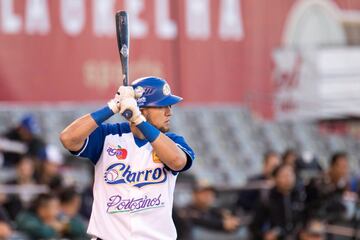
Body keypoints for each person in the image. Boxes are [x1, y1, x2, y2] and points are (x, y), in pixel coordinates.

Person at [60, 76, 195, 240]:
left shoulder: (172, 141)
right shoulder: (109, 135)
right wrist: (113, 106)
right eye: (162, 106)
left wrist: (138, 119)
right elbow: (68, 139)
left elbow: (177, 161)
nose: (169, 112)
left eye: (169, 106)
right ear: (142, 108)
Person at [249, 164, 305, 240]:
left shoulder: (301, 196)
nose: (288, 179)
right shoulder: (267, 199)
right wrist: (265, 235)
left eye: (290, 175)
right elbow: (255, 226)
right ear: (275, 178)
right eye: (284, 176)